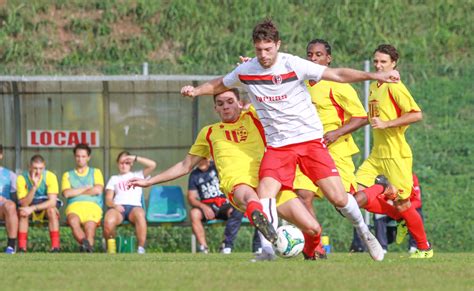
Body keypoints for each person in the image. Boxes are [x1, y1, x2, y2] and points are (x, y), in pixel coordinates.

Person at [180, 19, 401, 261]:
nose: (263, 55)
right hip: (278, 147)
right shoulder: (248, 70)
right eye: (259, 50)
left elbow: (337, 74)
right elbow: (220, 83)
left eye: (268, 49)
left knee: (339, 198)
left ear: (278, 45)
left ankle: (364, 231)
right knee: (264, 196)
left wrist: (374, 74)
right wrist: (196, 90)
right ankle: (268, 250)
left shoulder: (293, 64)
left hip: (309, 143)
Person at [129, 89, 323, 261]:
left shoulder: (253, 117)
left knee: (313, 229)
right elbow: (185, 165)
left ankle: (309, 251)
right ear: (215, 109)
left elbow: (267, 96)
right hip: (237, 185)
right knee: (251, 198)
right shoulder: (210, 132)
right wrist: (149, 181)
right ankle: (266, 246)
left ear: (240, 103)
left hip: (269, 181)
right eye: (220, 104)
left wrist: (252, 72)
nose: (225, 106)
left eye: (230, 101)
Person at [354, 44, 432, 259]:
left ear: (393, 64)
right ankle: (398, 217)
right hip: (377, 154)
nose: (379, 65)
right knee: (354, 195)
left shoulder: (395, 86)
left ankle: (425, 248)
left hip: (396, 154)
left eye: (384, 62)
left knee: (404, 203)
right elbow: (372, 117)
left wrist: (388, 124)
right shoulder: (374, 86)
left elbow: (416, 114)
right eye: (376, 61)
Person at [104, 151, 156, 254]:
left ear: (131, 164)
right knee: (108, 220)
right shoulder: (114, 178)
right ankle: (111, 250)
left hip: (134, 208)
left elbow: (153, 165)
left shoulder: (138, 175)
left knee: (140, 215)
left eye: (126, 163)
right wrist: (115, 206)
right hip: (118, 208)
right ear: (117, 163)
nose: (123, 165)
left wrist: (135, 158)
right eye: (121, 163)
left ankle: (141, 249)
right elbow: (108, 200)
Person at [61, 143, 104, 252]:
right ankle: (87, 245)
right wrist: (86, 188)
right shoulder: (67, 174)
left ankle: (86, 247)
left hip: (93, 206)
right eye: (78, 156)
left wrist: (75, 191)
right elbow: (66, 193)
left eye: (83, 156)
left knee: (90, 227)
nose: (80, 159)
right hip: (74, 207)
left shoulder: (96, 172)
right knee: (73, 221)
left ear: (88, 157)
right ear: (74, 157)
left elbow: (98, 190)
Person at [188, 158, 234, 253]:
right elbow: (191, 198)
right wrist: (203, 206)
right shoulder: (194, 175)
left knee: (234, 212)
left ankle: (226, 245)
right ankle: (203, 247)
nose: (198, 159)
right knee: (194, 213)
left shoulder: (217, 167)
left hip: (224, 204)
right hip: (207, 206)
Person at [17, 154, 61, 252]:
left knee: (52, 211)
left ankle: (55, 247)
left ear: (44, 167)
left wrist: (32, 208)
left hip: (43, 207)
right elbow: (24, 203)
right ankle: (22, 248)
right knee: (23, 212)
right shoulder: (22, 178)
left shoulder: (50, 176)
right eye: (35, 168)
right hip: (29, 207)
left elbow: (52, 202)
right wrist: (34, 187)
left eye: (41, 168)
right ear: (29, 167)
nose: (38, 172)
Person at [373, 173, 425, 254]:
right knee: (378, 215)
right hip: (392, 209)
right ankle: (382, 248)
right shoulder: (388, 177)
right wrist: (388, 203)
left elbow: (417, 201)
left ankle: (414, 246)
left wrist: (406, 207)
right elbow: (380, 197)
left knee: (417, 213)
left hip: (406, 209)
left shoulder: (412, 177)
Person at [0, 144, 19, 254]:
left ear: (1, 155)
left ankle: (11, 246)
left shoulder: (10, 175)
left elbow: (16, 198)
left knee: (11, 205)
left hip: (2, 208)